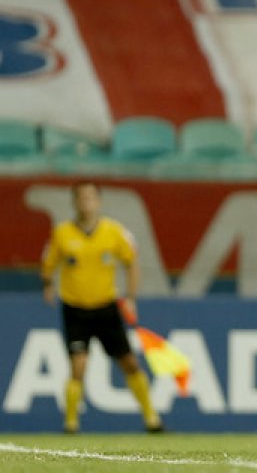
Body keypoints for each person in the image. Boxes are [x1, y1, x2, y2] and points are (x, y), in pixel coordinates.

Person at [40, 182, 163, 434]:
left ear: (99, 201)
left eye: (91, 198)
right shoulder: (62, 233)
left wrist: (130, 296)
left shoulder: (114, 232)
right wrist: (48, 285)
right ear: (74, 202)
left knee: (129, 362)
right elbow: (48, 263)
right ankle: (71, 424)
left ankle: (152, 419)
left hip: (106, 308)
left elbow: (131, 261)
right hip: (75, 308)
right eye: (81, 198)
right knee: (78, 365)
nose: (86, 203)